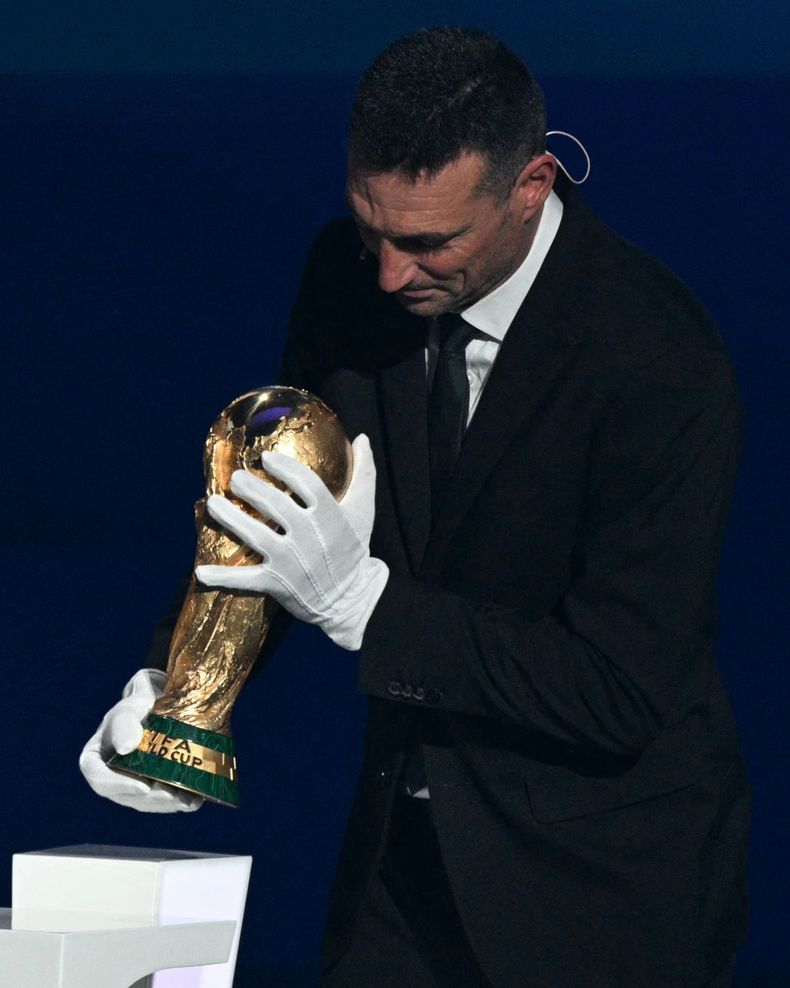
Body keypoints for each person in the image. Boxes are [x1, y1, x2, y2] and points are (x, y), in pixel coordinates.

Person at [80, 27, 750, 988]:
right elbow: (284, 515)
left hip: (602, 893)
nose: (392, 273)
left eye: (430, 241)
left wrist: (369, 609)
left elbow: (619, 688)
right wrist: (180, 691)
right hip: (399, 875)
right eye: (372, 230)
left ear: (533, 186)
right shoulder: (346, 278)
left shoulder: (657, 358)